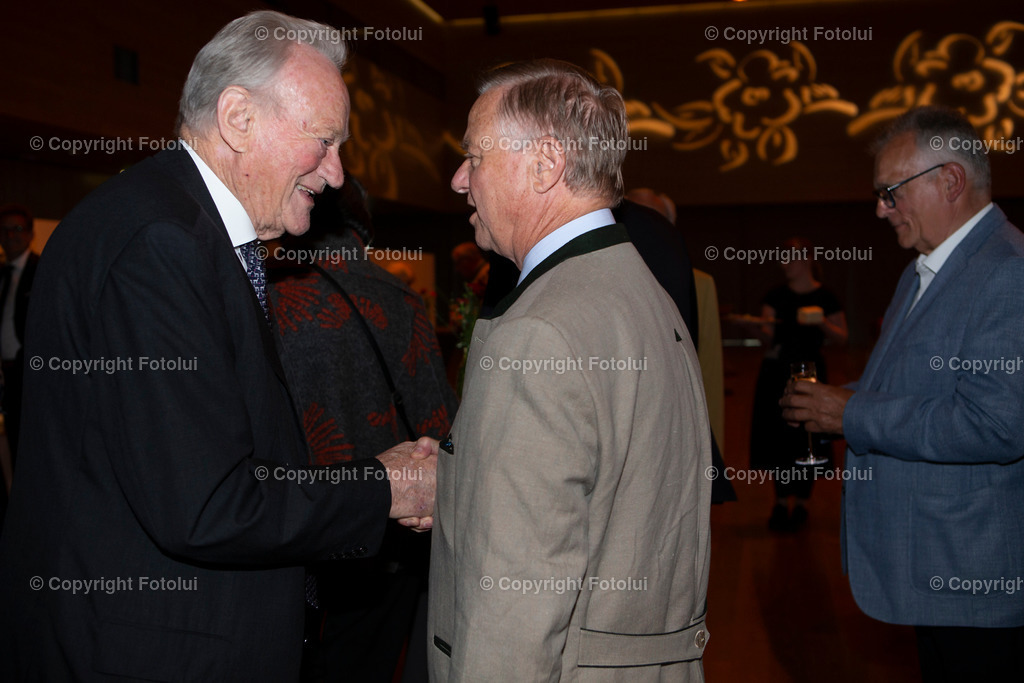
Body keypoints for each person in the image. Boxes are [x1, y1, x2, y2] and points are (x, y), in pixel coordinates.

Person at [0, 11, 437, 681]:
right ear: (238, 118)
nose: (336, 173)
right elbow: (207, 503)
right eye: (324, 141)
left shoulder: (182, 228)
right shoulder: (160, 243)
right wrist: (386, 486)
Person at [429, 59, 712, 681]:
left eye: (474, 156)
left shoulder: (538, 331)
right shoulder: (646, 294)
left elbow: (512, 617)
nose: (458, 180)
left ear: (545, 164)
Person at [781, 106, 1024, 681]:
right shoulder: (926, 268)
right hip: (937, 569)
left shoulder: (1006, 271)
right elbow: (903, 386)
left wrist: (852, 412)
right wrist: (833, 401)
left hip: (974, 577)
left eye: (891, 192)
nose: (880, 209)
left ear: (951, 181)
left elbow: (996, 424)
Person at [267, 175, 458, 682]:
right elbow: (441, 428)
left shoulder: (269, 296)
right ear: (363, 227)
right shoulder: (402, 298)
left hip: (298, 538)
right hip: (392, 546)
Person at [745, 238, 847, 531]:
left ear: (807, 259)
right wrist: (752, 326)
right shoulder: (775, 295)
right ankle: (779, 502)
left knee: (808, 434)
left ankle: (802, 503)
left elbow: (842, 337)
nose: (784, 264)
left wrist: (821, 322)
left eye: (790, 258)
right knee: (779, 437)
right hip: (777, 372)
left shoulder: (826, 296)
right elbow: (767, 336)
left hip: (811, 373)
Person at [0, 203, 39, 464]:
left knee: (33, 445)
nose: (10, 235)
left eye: (17, 228)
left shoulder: (42, 270)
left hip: (31, 372)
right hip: (6, 374)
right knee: (14, 443)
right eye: (4, 230)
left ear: (30, 234)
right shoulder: (2, 273)